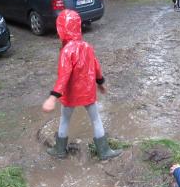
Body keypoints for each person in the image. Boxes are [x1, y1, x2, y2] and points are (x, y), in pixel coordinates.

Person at [42, 10, 122, 160]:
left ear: (61, 29)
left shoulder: (66, 51)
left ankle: (60, 149)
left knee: (64, 120)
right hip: (87, 92)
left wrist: (53, 98)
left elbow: (63, 77)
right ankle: (104, 151)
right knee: (95, 119)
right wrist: (101, 83)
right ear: (78, 27)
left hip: (71, 93)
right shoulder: (87, 46)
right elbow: (96, 66)